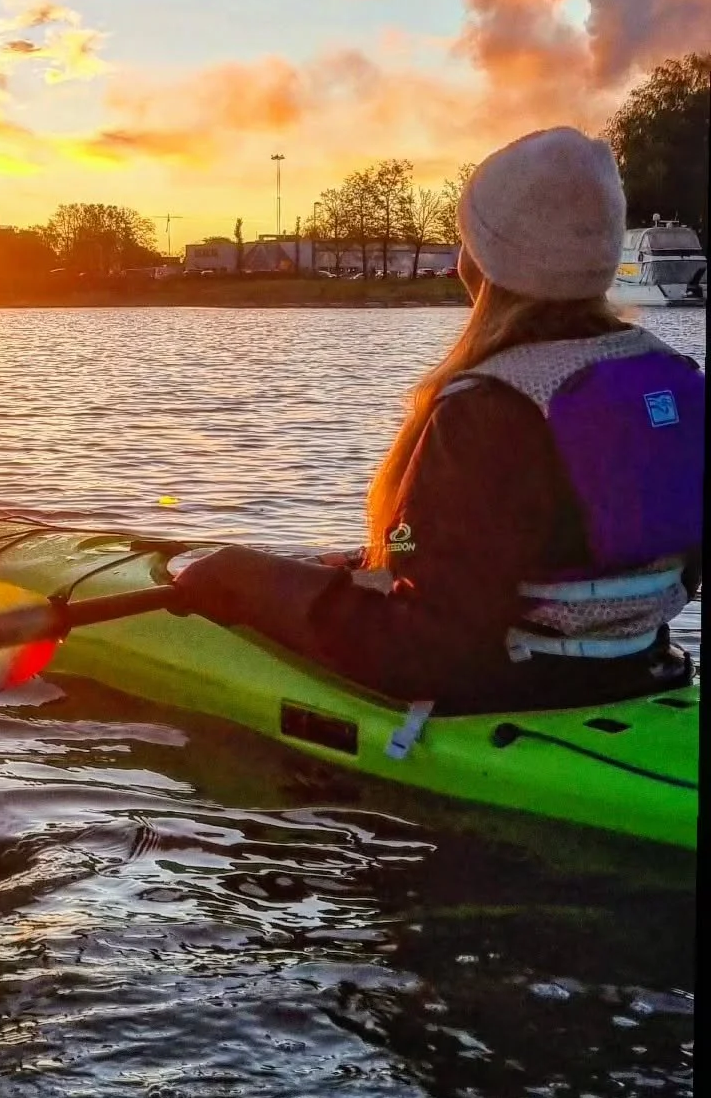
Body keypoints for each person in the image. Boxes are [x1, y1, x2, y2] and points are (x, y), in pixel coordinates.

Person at [171, 128, 704, 713]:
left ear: (485, 264)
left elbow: (429, 648)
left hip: (514, 684)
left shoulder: (489, 408)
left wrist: (238, 579)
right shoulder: (673, 374)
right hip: (645, 665)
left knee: (230, 570)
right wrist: (378, 563)